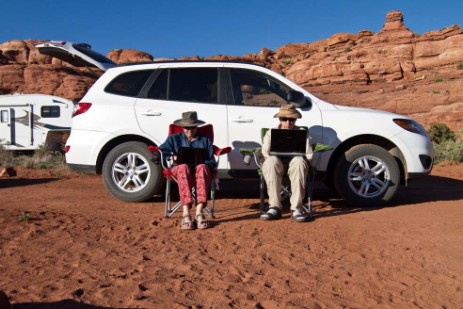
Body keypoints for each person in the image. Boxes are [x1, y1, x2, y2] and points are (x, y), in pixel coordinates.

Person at [159, 111, 217, 230]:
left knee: (202, 168)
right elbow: (161, 150)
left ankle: (199, 213)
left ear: (197, 127)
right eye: (187, 128)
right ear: (182, 127)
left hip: (199, 170)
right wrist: (172, 157)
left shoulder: (205, 140)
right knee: (183, 167)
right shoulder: (174, 138)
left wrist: (201, 162)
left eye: (193, 127)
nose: (190, 130)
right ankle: (186, 213)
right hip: (179, 169)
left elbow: (211, 161)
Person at [260, 103, 313, 222]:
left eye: (291, 119)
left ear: (295, 119)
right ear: (280, 119)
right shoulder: (271, 132)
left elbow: (309, 155)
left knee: (299, 161)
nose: (288, 123)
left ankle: (297, 208)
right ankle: (274, 207)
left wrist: (305, 160)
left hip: (295, 164)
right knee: (270, 162)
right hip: (277, 164)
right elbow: (265, 153)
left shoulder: (302, 133)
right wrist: (269, 159)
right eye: (284, 119)